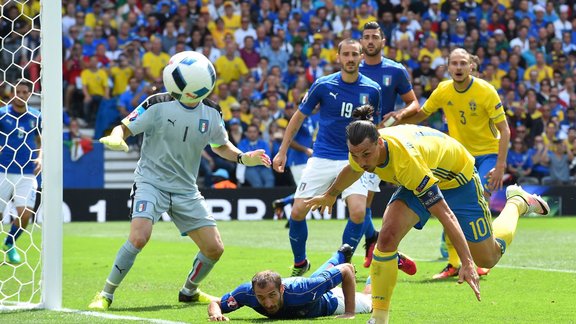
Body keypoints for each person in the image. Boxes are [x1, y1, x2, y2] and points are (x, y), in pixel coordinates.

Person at [305, 105, 549, 324]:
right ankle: (379, 318)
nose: (362, 160)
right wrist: (331, 193)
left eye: (366, 155)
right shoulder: (361, 148)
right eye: (355, 154)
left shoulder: (405, 161)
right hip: (424, 176)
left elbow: (446, 216)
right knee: (386, 238)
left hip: (458, 180)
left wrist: (467, 262)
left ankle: (517, 202)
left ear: (379, 143)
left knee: (488, 258)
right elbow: (353, 168)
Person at [89, 55, 271, 311]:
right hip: (151, 182)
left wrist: (242, 157)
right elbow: (124, 127)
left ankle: (189, 291)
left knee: (214, 249)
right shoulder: (157, 103)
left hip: (186, 189)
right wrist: (117, 136)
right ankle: (106, 294)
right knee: (139, 237)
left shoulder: (212, 111)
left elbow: (220, 146)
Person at [388, 48, 511, 279]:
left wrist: (501, 166)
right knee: (448, 206)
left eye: (463, 63)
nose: (458, 67)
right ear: (448, 67)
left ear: (471, 66)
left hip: (487, 155)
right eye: (453, 63)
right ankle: (454, 263)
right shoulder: (443, 90)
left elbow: (505, 130)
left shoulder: (486, 91)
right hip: (458, 157)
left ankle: (482, 252)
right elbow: (421, 114)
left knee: (479, 200)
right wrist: (397, 122)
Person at [272, 38, 383, 276]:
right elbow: (298, 117)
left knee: (358, 212)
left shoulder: (372, 89)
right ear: (338, 57)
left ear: (361, 57)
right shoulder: (323, 85)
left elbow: (377, 129)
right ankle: (300, 262)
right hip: (322, 157)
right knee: (297, 212)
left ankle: (343, 262)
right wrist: (282, 151)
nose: (351, 59)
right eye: (346, 54)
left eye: (355, 54)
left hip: (354, 159)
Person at [358, 21, 420, 268]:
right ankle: (375, 242)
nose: (370, 41)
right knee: (358, 201)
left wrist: (400, 114)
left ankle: (381, 245)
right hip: (357, 142)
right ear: (362, 42)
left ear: (383, 41)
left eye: (375, 37)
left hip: (385, 144)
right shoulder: (353, 69)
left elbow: (414, 104)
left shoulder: (395, 71)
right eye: (366, 37)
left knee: (366, 201)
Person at [207, 248, 372, 321]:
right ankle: (340, 254)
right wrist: (215, 314)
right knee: (318, 280)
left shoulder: (303, 291)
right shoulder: (246, 294)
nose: (268, 304)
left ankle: (380, 266)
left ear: (281, 289)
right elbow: (216, 303)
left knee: (371, 301)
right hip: (313, 290)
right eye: (261, 298)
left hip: (332, 301)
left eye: (272, 295)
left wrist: (350, 312)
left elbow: (348, 270)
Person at [0, 80, 41, 264]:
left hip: (27, 172)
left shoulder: (36, 117)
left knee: (25, 214)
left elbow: (42, 141)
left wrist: (40, 158)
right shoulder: (2, 115)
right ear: (12, 93)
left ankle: (9, 244)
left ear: (30, 94)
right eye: (18, 91)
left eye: (25, 92)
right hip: (3, 170)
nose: (21, 95)